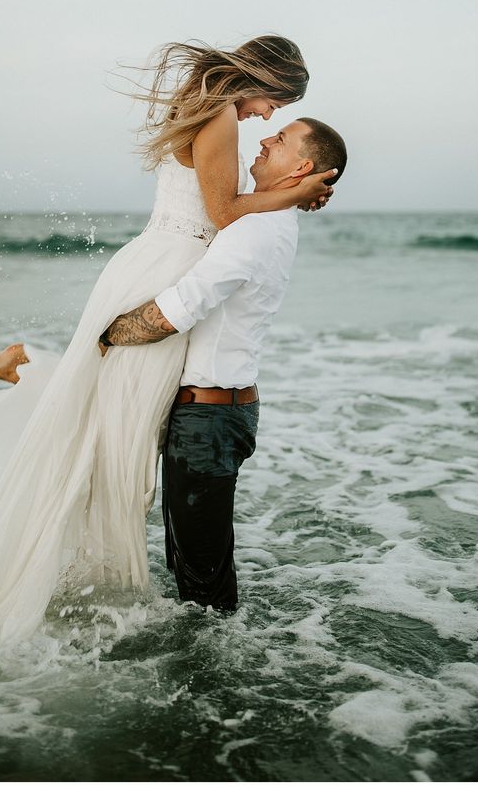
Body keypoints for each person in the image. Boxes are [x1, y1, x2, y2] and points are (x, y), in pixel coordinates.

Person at [0, 36, 336, 649]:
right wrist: (294, 192)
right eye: (275, 102)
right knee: (116, 424)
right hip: (169, 270)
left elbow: (227, 205)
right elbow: (221, 212)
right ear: (259, 80)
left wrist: (294, 192)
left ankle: (29, 364)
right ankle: (29, 370)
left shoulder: (206, 107)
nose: (269, 117)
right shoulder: (219, 116)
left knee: (109, 412)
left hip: (155, 262)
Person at [99, 117, 347, 611]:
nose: (263, 137)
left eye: (280, 139)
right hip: (215, 413)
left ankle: (216, 679)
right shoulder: (267, 220)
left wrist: (106, 334)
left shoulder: (255, 230)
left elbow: (179, 309)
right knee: (192, 569)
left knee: (203, 587)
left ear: (300, 166)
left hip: (209, 420)